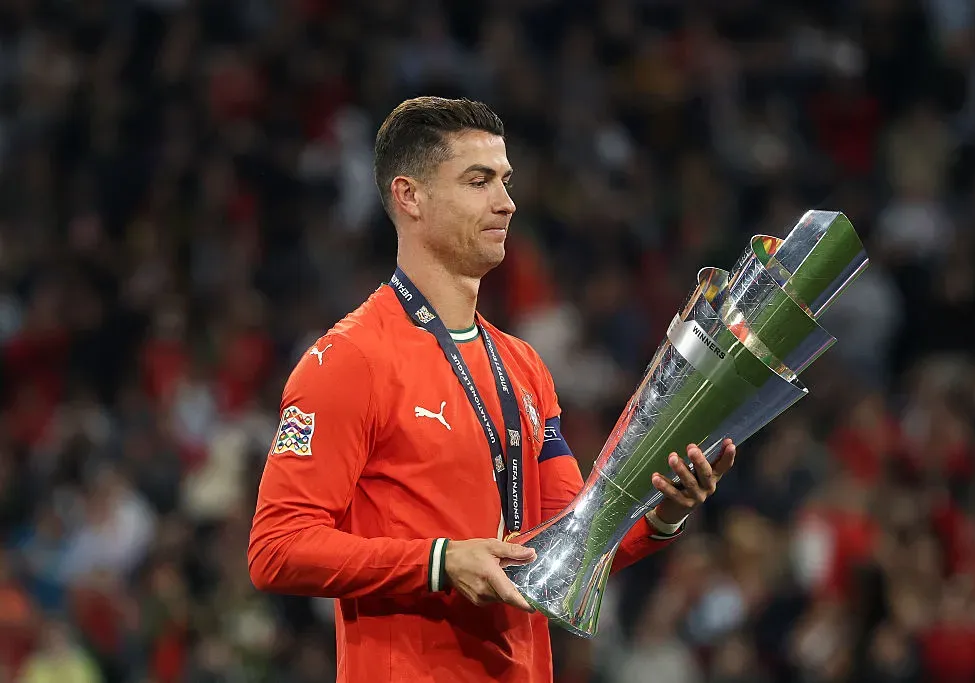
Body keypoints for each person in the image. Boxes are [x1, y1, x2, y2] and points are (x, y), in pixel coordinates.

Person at [247, 96, 738, 683]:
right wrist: (440, 561)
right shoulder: (350, 360)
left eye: (505, 181)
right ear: (410, 196)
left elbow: (570, 544)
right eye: (478, 182)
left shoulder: (524, 366)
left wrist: (664, 512)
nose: (506, 202)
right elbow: (276, 548)